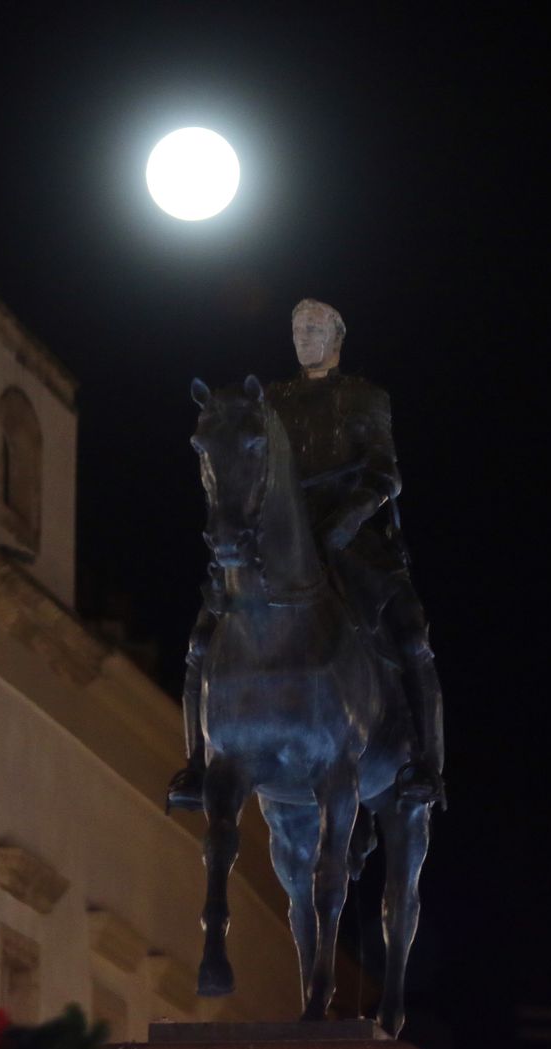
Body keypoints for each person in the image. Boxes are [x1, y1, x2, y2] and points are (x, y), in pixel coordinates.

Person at [168, 298, 446, 811]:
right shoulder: (270, 402)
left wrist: (347, 520)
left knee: (410, 629)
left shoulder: (364, 397)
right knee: (202, 636)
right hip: (276, 540)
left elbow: (385, 472)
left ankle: (425, 762)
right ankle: (196, 764)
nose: (303, 336)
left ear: (338, 335)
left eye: (314, 327)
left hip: (348, 534)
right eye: (296, 328)